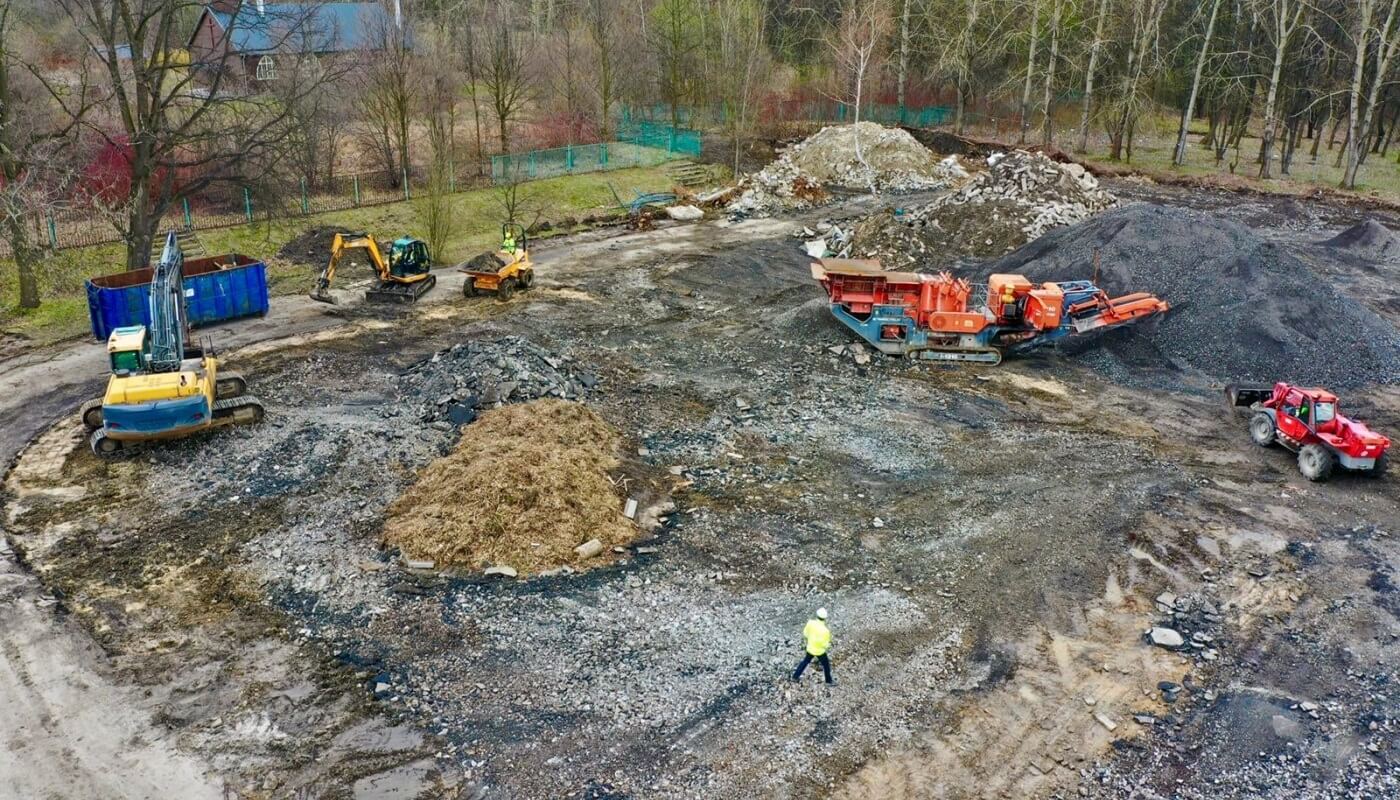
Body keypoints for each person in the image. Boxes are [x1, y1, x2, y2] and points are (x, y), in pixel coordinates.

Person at [792, 608, 834, 685]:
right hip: (820, 651)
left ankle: (795, 676)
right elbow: (825, 645)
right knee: (826, 665)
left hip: (810, 648)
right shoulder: (825, 631)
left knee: (805, 662)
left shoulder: (810, 623)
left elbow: (805, 634)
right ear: (825, 618)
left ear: (817, 615)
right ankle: (828, 681)